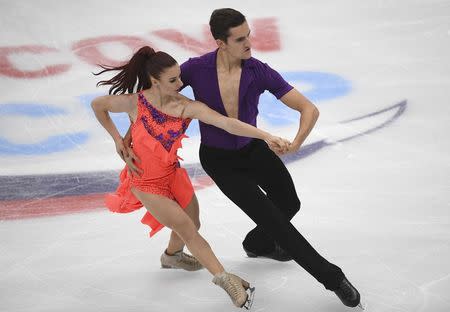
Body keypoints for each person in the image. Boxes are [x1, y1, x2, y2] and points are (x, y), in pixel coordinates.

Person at [121, 8, 362, 309]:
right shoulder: (196, 69)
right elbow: (155, 101)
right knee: (278, 225)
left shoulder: (258, 70)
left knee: (289, 203)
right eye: (240, 39)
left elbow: (308, 108)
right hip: (220, 161)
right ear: (221, 42)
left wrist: (297, 142)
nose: (249, 44)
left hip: (254, 150)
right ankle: (334, 278)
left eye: (248, 35)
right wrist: (127, 139)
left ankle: (256, 244)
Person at [91, 45, 293, 308]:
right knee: (187, 228)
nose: (181, 83)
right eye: (173, 80)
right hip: (145, 182)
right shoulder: (135, 103)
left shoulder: (186, 106)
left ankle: (172, 256)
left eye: (180, 77)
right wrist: (118, 140)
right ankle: (226, 280)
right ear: (155, 81)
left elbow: (227, 123)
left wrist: (265, 135)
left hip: (173, 175)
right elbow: (98, 105)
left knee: (193, 223)